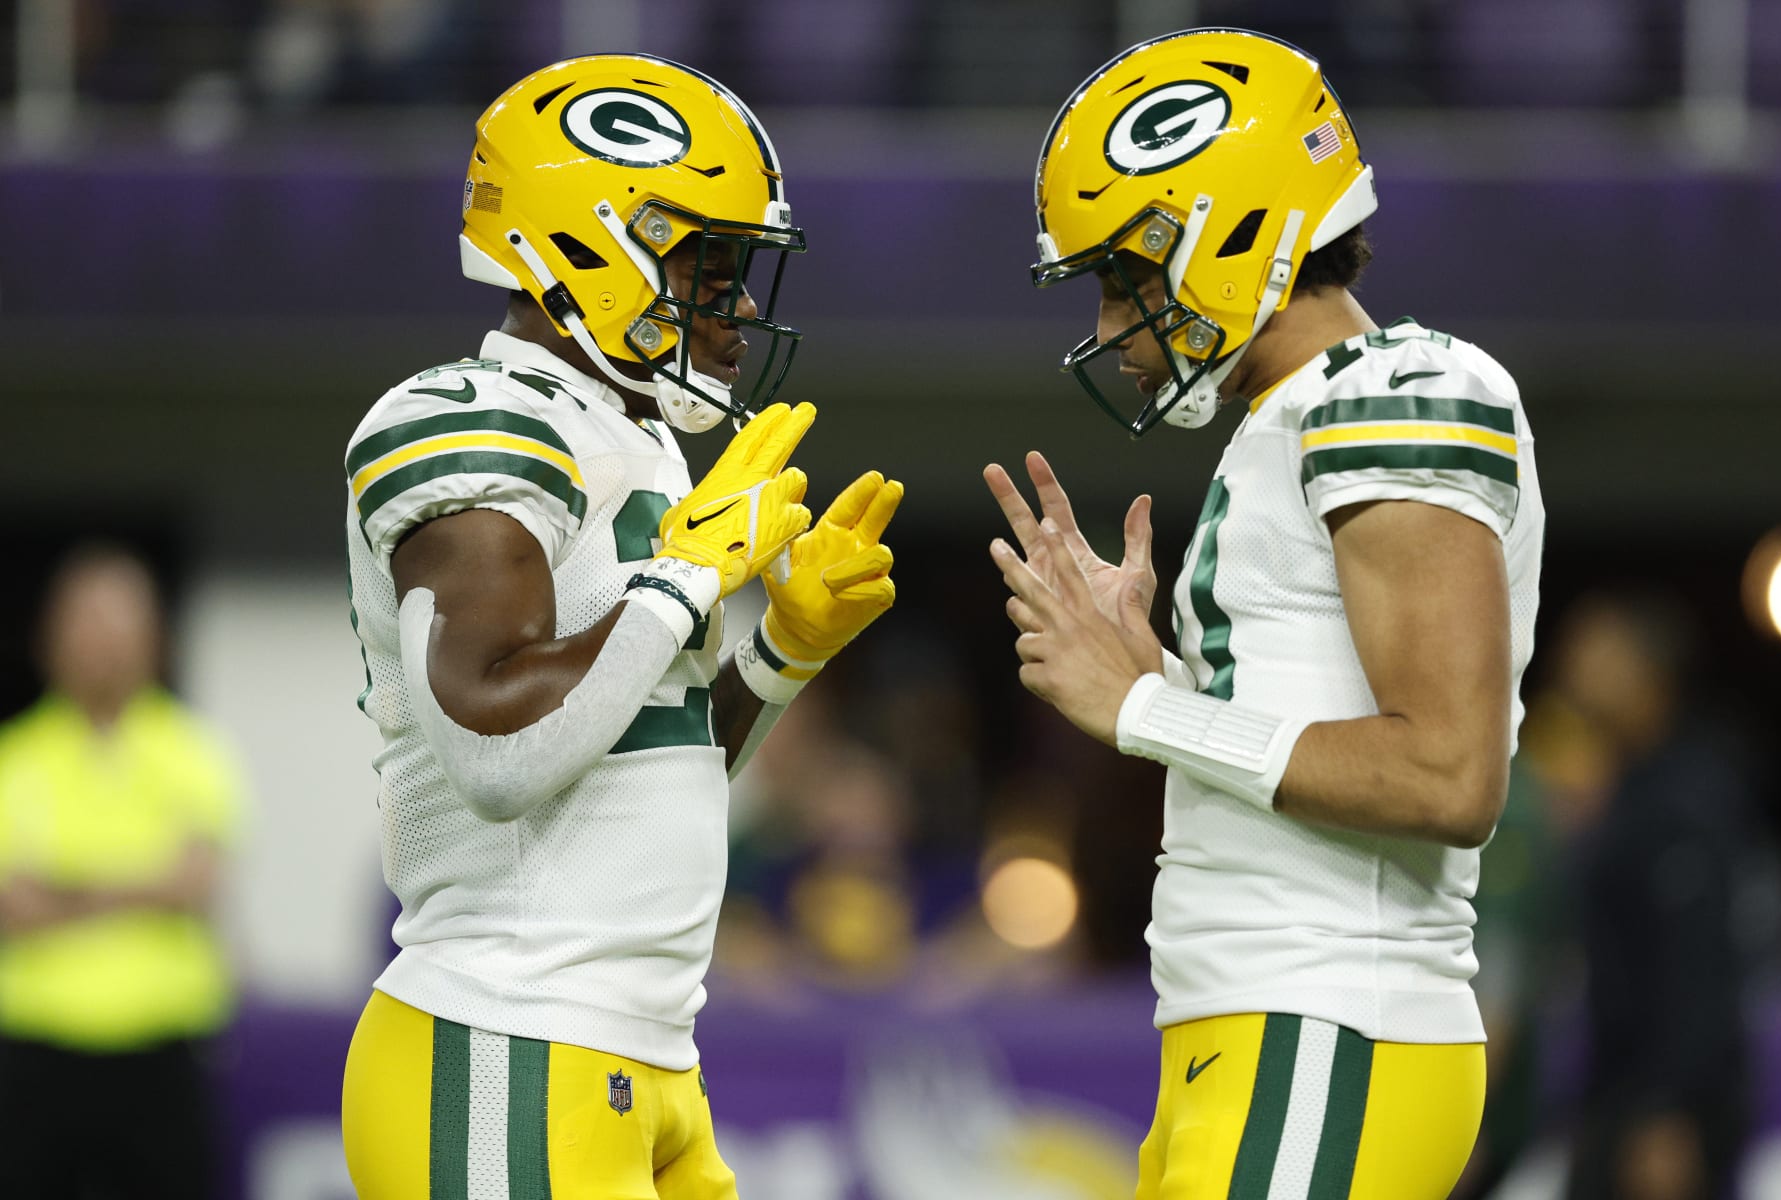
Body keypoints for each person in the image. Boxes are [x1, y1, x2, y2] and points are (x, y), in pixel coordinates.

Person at [985, 29, 1545, 1199]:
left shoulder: (1397, 389)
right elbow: (1305, 741)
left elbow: (1448, 777)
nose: (1104, 329)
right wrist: (1163, 683)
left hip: (1330, 1024)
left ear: (1234, 242)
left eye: (1125, 278)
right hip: (1261, 1031)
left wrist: (1145, 707)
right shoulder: (1292, 417)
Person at [337, 54, 902, 1198]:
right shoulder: (472, 418)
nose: (737, 304)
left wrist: (778, 655)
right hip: (505, 1041)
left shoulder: (637, 437)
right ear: (597, 249)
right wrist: (685, 579)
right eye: (712, 263)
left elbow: (645, 762)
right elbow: (501, 752)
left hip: (635, 1055)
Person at [0, 545, 241, 1200]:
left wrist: (67, 887)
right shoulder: (15, 759)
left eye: (119, 621)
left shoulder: (193, 751)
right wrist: (141, 885)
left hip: (161, 1050)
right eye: (86, 621)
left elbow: (193, 882)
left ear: (154, 638)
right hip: (35, 1048)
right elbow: (13, 907)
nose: (101, 640)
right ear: (49, 638)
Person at [1551, 594, 1752, 1200]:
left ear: (1646, 670)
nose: (1573, 663)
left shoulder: (1685, 795)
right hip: (1620, 1093)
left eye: (1596, 649)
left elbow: (1697, 965)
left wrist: (1669, 1115)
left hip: (1665, 1111)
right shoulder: (1626, 785)